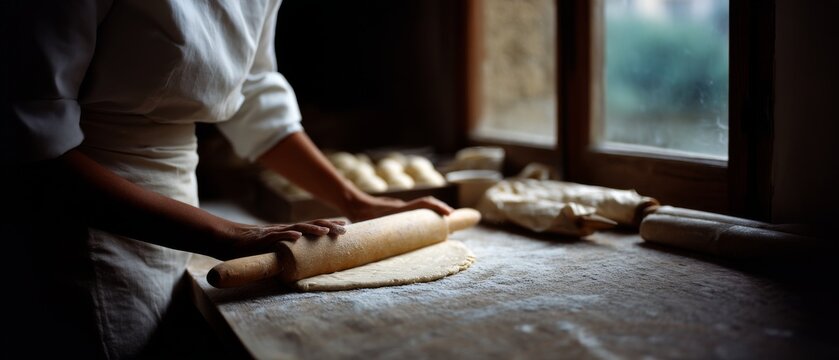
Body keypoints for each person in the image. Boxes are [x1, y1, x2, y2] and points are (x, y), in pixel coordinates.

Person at [2, 1, 452, 358]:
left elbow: (254, 92)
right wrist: (227, 233)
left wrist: (358, 202)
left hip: (176, 205)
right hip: (82, 207)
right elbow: (30, 144)